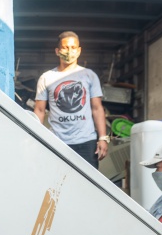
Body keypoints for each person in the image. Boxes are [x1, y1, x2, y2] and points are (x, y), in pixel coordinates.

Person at [33, 31, 109, 168]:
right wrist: (36, 136)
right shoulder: (46, 77)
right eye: (65, 47)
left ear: (79, 51)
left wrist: (103, 138)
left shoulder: (89, 76)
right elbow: (39, 110)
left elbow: (97, 108)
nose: (70, 51)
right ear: (57, 51)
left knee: (88, 185)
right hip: (57, 141)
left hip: (86, 142)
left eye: (73, 48)